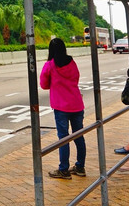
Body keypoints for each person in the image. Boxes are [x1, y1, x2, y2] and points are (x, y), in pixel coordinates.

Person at [40, 38, 86, 179]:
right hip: (77, 104)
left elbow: (43, 84)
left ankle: (64, 170)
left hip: (61, 107)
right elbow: (76, 78)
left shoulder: (50, 65)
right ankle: (80, 167)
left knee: (63, 138)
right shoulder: (72, 62)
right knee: (78, 136)